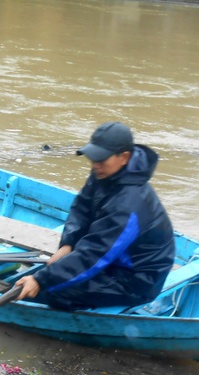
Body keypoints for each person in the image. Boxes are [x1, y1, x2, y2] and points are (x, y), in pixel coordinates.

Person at [14, 122, 175, 310]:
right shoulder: (105, 171)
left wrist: (41, 280)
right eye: (93, 158)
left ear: (124, 157)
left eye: (101, 160)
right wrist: (68, 244)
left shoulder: (129, 204)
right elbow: (82, 207)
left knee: (53, 290)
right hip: (114, 258)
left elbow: (94, 253)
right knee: (59, 274)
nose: (95, 165)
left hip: (135, 280)